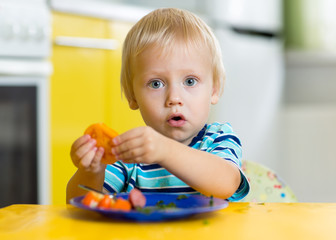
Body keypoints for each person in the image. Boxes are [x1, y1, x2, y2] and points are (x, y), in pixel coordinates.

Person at [66, 8, 249, 203]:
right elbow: (80, 203)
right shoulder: (130, 156)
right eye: (156, 84)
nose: (174, 98)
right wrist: (91, 171)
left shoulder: (218, 138)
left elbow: (226, 184)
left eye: (189, 81)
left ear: (213, 90)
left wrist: (165, 151)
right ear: (133, 96)